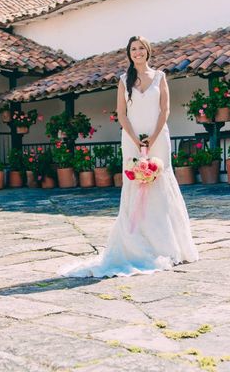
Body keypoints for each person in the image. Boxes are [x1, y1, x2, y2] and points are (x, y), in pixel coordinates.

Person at [59, 36, 199, 278]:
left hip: (158, 136)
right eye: (133, 49)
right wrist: (136, 140)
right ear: (129, 53)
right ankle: (135, 241)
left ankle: (169, 245)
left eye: (141, 49)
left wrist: (153, 138)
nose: (138, 52)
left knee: (161, 182)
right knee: (136, 182)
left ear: (148, 51)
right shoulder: (124, 81)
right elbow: (121, 114)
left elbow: (165, 109)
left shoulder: (160, 77)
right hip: (132, 138)